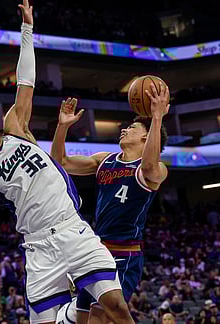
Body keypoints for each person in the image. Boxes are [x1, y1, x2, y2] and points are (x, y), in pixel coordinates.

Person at [0, 1, 134, 323]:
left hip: (73, 231)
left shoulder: (16, 127)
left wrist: (27, 29)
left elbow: (26, 81)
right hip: (38, 249)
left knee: (116, 305)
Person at [50, 83, 169, 324]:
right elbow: (59, 162)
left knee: (100, 318)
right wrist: (62, 126)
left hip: (123, 254)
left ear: (146, 136)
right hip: (95, 250)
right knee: (83, 319)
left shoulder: (154, 170)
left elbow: (148, 165)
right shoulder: (105, 160)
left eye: (132, 128)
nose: (124, 130)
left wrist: (157, 117)